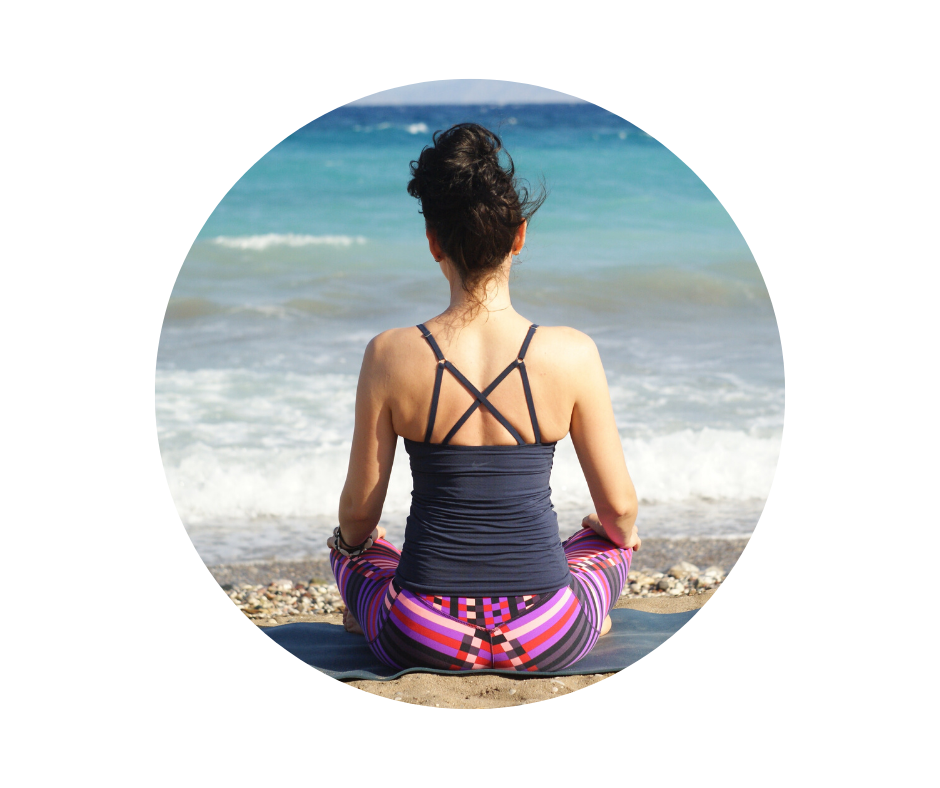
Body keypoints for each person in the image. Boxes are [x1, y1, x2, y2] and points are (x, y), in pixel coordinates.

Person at [326, 122, 639, 671]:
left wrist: (356, 543)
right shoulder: (572, 353)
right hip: (545, 632)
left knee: (353, 552)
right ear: (519, 236)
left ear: (433, 242)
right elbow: (619, 510)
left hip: (423, 632)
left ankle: (368, 612)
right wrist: (612, 534)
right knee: (611, 545)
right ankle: (590, 616)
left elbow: (357, 517)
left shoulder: (389, 354)